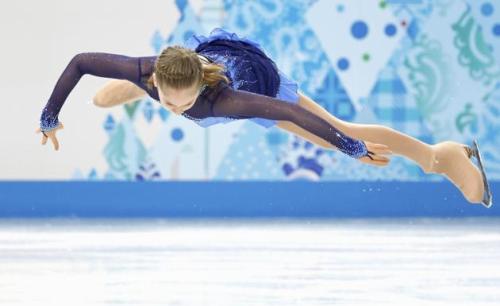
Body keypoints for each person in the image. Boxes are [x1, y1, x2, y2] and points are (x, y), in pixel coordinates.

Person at [36, 28, 492, 207]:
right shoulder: (152, 72)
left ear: (200, 87)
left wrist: (349, 147)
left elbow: (293, 113)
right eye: (169, 101)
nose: (178, 112)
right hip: (170, 73)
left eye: (184, 102)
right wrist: (50, 115)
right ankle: (135, 94)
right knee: (103, 96)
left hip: (260, 80)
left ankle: (440, 156)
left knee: (340, 130)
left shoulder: (231, 102)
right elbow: (78, 60)